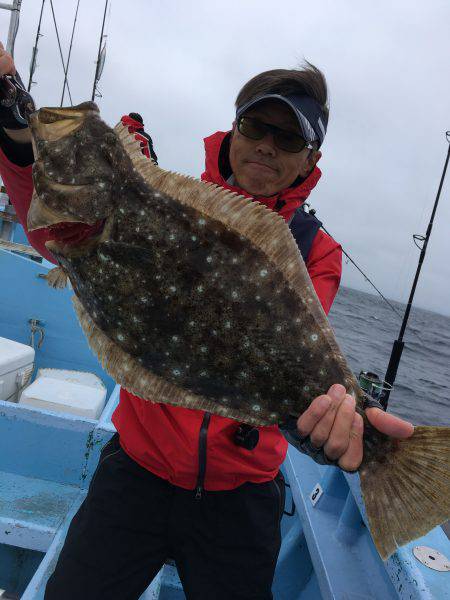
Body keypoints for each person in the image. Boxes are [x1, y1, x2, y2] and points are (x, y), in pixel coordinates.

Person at [0, 43, 414, 599]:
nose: (266, 146)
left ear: (310, 160)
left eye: (287, 138)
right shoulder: (156, 197)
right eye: (255, 126)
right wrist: (11, 115)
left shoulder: (316, 252)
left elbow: (282, 364)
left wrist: (320, 432)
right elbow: (50, 229)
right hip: (138, 468)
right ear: (234, 130)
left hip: (240, 495)